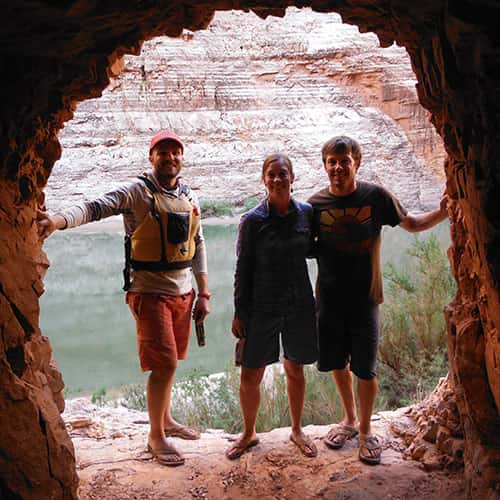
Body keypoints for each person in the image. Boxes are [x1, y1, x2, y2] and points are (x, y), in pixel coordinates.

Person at [37, 129, 211, 467]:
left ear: (182, 157)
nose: (170, 157)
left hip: (183, 293)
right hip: (149, 293)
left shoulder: (190, 197)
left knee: (170, 361)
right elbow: (95, 207)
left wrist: (203, 292)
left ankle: (167, 420)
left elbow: (198, 243)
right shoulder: (137, 192)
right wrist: (56, 221)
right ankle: (155, 437)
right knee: (165, 364)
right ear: (151, 157)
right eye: (163, 152)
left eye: (175, 152)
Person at [308, 135, 448, 465]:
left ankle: (367, 429)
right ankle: (349, 421)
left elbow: (411, 223)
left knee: (366, 369)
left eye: (345, 161)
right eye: (332, 161)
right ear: (325, 165)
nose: (338, 167)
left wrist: (443, 214)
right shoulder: (314, 205)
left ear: (357, 162)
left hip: (366, 298)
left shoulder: (376, 197)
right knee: (337, 364)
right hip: (328, 298)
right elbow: (299, 245)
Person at [227, 153, 319, 460]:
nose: (278, 180)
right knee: (251, 374)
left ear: (292, 178)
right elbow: (243, 269)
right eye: (272, 175)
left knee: (295, 368)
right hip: (261, 306)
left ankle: (296, 430)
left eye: (283, 174)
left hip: (299, 305)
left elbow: (319, 251)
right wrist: (239, 311)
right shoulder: (251, 221)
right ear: (264, 179)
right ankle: (249, 433)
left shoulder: (307, 213)